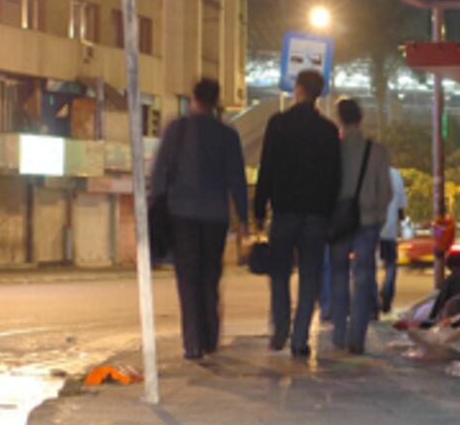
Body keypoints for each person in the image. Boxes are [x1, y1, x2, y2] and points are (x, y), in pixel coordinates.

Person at [150, 78, 249, 360]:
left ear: (193, 98)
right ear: (216, 100)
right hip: (215, 217)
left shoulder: (176, 130)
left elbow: (159, 175)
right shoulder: (227, 136)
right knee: (210, 276)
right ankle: (210, 337)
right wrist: (243, 219)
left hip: (182, 215)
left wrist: (153, 210)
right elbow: (237, 180)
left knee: (188, 278)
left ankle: (193, 341)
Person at [254, 69, 341, 357]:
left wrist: (258, 207)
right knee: (310, 276)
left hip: (284, 211)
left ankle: (280, 327)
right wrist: (330, 212)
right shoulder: (328, 131)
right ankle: (300, 337)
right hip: (316, 215)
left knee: (279, 271)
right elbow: (334, 177)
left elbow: (267, 167)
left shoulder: (278, 124)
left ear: (300, 89)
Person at [327, 98, 393, 354]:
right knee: (363, 278)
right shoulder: (376, 151)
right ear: (361, 119)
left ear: (339, 120)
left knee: (339, 275)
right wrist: (377, 215)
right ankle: (357, 337)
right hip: (367, 222)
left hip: (339, 222)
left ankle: (338, 333)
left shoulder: (334, 150)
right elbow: (385, 191)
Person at [378, 166, 407, 314]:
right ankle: (387, 292)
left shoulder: (367, 171)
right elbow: (401, 206)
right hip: (389, 229)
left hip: (369, 228)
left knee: (367, 266)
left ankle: (371, 300)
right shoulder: (395, 174)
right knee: (390, 264)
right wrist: (400, 224)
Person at [427, 251, 460, 321]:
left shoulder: (451, 279)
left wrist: (431, 318)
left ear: (449, 266)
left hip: (455, 315)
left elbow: (440, 302)